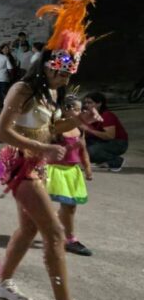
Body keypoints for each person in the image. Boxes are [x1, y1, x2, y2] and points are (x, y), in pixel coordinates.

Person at [0, 0, 105, 300]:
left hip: (34, 161)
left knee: (27, 229)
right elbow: (0, 132)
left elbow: (52, 125)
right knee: (54, 232)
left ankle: (1, 281)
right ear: (48, 65)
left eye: (69, 75)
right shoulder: (22, 89)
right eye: (60, 72)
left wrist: (81, 121)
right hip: (19, 163)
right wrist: (41, 149)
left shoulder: (52, 91)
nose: (65, 79)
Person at [46, 97, 92, 256]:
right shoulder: (56, 128)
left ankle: (66, 235)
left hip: (72, 172)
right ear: (66, 109)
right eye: (77, 109)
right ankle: (68, 238)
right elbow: (47, 149)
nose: (81, 113)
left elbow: (83, 150)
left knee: (70, 207)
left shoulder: (79, 129)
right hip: (55, 171)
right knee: (60, 205)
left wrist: (87, 167)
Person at [80, 92, 128, 172]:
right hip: (102, 141)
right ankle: (103, 160)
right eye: (85, 103)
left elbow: (109, 136)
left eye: (90, 103)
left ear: (99, 104)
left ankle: (116, 161)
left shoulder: (107, 115)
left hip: (118, 143)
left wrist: (89, 130)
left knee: (89, 152)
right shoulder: (89, 115)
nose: (86, 105)